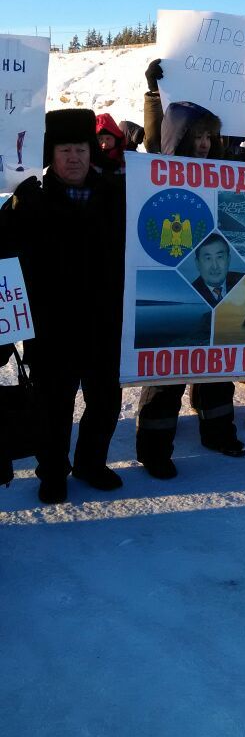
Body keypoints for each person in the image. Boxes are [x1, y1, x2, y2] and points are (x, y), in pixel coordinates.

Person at [8, 109, 125, 504]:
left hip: (105, 320)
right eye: (65, 149)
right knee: (53, 406)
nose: (74, 157)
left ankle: (92, 463)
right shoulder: (29, 198)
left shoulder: (117, 192)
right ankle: (53, 471)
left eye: (81, 148)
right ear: (51, 154)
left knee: (105, 401)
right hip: (50, 324)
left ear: (92, 152)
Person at [135, 100, 245, 476]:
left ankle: (219, 432)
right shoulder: (156, 174)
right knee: (168, 375)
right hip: (172, 284)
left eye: (208, 136)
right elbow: (156, 136)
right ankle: (154, 450)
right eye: (197, 136)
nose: (204, 144)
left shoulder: (224, 171)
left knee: (216, 368)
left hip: (213, 281)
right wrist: (153, 93)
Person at [192, 233, 244, 307]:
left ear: (228, 260)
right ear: (197, 263)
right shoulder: (191, 292)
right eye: (208, 258)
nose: (215, 266)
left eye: (219, 257)